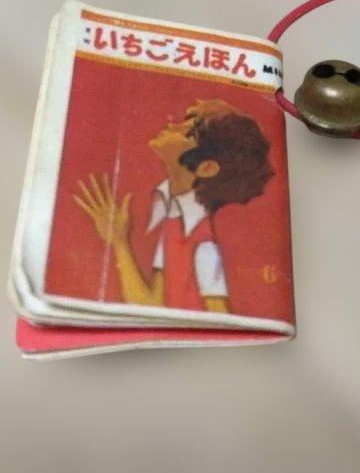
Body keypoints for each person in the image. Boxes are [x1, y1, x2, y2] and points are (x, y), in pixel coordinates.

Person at [75, 98, 273, 313]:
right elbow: (150, 306)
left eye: (188, 132)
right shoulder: (174, 223)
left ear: (206, 168)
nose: (171, 125)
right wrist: (119, 242)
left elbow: (218, 323)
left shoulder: (204, 247)